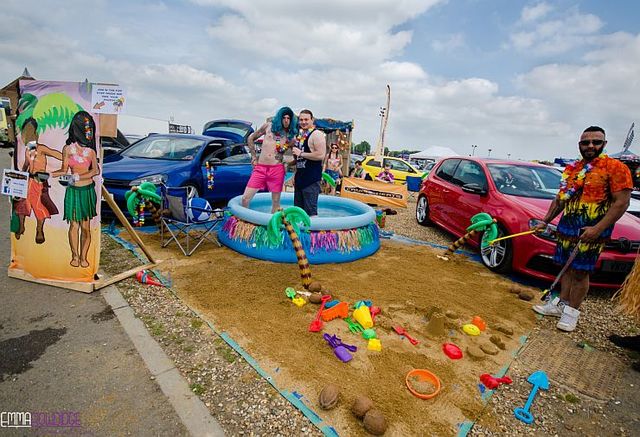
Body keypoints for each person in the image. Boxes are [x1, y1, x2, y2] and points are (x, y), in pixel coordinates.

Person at [531, 126, 633, 332]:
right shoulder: (574, 169)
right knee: (566, 267)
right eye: (585, 142)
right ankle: (560, 305)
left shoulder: (615, 168)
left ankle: (571, 314)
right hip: (567, 228)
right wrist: (545, 220)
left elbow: (621, 203)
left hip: (592, 231)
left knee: (580, 272)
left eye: (596, 142)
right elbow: (561, 198)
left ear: (604, 145)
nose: (590, 146)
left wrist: (597, 228)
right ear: (580, 145)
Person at [52, 111, 100, 268]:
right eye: (86, 128)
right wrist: (49, 174)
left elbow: (95, 171)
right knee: (74, 225)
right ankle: (75, 256)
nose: (89, 132)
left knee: (85, 227)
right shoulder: (68, 149)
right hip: (72, 192)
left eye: (90, 128)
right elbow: (63, 169)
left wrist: (79, 177)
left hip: (87, 192)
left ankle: (84, 257)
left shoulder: (91, 152)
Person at [14, 118, 62, 244]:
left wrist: (68, 157)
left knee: (38, 206)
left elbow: (55, 153)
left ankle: (39, 229)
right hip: (29, 179)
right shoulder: (28, 149)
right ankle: (21, 226)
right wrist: (20, 174)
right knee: (22, 204)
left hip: (39, 180)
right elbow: (26, 164)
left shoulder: (41, 148)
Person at [242, 107, 297, 213]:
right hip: (260, 168)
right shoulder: (269, 126)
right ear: (279, 118)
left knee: (276, 202)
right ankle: (245, 225)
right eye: (284, 117)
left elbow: (296, 157)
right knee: (245, 198)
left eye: (288, 118)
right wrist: (253, 157)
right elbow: (250, 138)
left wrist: (287, 164)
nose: (286, 120)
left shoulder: (291, 137)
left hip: (277, 169)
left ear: (291, 121)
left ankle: (272, 226)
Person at [292, 109, 326, 216]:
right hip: (300, 179)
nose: (303, 122)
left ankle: (311, 232)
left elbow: (321, 155)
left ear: (312, 120)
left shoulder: (317, 134)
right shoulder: (301, 135)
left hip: (311, 180)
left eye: (306, 119)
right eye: (301, 119)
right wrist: (294, 174)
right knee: (298, 213)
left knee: (310, 213)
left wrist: (301, 153)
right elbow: (299, 160)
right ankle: (298, 233)